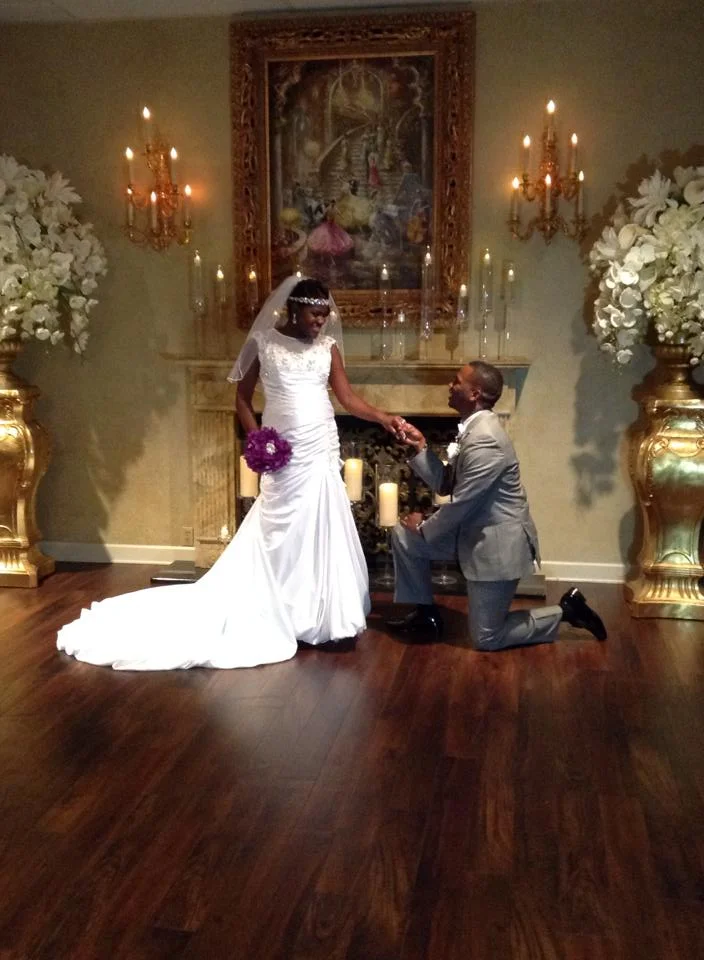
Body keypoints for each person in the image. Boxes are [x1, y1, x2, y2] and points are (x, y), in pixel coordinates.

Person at [57, 276, 405, 670]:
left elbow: (346, 397)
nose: (320, 322)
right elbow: (241, 398)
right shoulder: (265, 342)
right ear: (294, 309)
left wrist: (383, 416)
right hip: (283, 449)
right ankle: (277, 607)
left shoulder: (328, 347)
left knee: (320, 523)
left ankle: (321, 616)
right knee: (279, 526)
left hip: (320, 445)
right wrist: (258, 440)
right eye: (314, 314)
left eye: (325, 315)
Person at [387, 360, 607, 651]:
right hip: (472, 535)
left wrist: (425, 528)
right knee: (404, 535)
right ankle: (426, 616)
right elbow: (448, 485)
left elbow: (462, 503)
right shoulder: (474, 430)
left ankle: (567, 611)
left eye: (456, 382)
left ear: (475, 393)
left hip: (495, 547)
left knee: (487, 637)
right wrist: (420, 447)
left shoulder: (486, 440)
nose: (450, 386)